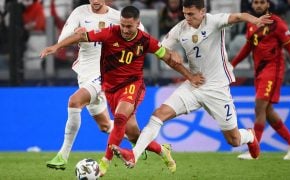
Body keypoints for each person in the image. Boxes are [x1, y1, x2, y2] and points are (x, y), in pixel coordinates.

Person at [40, 5, 205, 176]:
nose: (125, 30)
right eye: (123, 25)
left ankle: (104, 163)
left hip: (133, 85)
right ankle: (162, 150)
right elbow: (81, 36)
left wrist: (189, 75)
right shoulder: (110, 33)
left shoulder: (145, 40)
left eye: (129, 26)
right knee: (132, 134)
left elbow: (168, 59)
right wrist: (56, 47)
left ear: (137, 24)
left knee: (119, 118)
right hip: (111, 88)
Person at [110, 0, 274, 169]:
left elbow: (238, 16)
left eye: (191, 14)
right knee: (159, 114)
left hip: (217, 88)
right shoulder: (180, 29)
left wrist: (254, 19)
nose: (186, 17)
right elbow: (161, 49)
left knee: (234, 140)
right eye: (184, 13)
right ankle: (134, 155)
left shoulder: (214, 21)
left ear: (202, 12)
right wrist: (171, 52)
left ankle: (249, 136)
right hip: (194, 84)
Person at [44, 0, 146, 170]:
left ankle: (62, 155)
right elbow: (64, 39)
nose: (96, 1)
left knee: (74, 101)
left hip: (106, 73)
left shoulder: (117, 17)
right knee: (105, 125)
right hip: (85, 73)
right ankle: (144, 143)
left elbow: (141, 37)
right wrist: (77, 35)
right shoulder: (79, 12)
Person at [231, 0, 290, 160]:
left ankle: (255, 151)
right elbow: (248, 48)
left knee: (259, 108)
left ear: (268, 5)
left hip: (273, 71)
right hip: (259, 72)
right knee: (267, 111)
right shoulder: (251, 23)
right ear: (252, 5)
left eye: (262, 2)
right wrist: (232, 65)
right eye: (256, 2)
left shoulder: (277, 24)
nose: (258, 5)